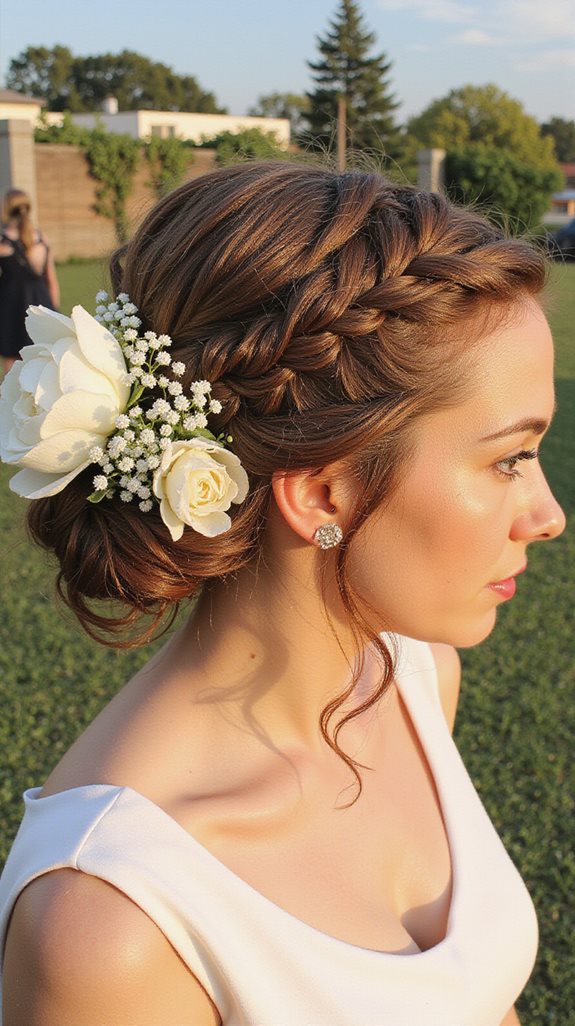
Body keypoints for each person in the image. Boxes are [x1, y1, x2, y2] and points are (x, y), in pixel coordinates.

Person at [0, 162, 566, 1026]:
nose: (547, 515)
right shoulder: (113, 922)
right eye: (506, 459)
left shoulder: (413, 680)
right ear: (322, 495)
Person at [0, 188, 60, 377]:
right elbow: (51, 279)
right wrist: (54, 312)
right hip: (41, 300)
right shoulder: (41, 239)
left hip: (11, 303)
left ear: (6, 209)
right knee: (43, 356)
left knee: (12, 357)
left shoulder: (3, 242)